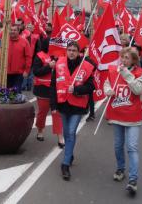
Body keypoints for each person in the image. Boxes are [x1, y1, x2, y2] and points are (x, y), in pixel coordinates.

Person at [104, 47, 142, 196]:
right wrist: (108, 90)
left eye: (127, 58)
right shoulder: (113, 71)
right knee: (117, 146)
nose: (123, 60)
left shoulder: (140, 73)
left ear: (134, 60)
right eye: (122, 57)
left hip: (133, 117)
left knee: (132, 147)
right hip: (117, 114)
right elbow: (107, 84)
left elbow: (138, 90)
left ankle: (133, 180)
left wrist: (126, 74)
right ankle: (120, 168)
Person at [50, 41, 95, 181]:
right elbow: (53, 85)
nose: (71, 52)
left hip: (78, 105)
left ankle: (65, 165)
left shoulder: (85, 66)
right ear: (66, 51)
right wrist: (53, 106)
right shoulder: (59, 64)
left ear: (78, 52)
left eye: (74, 50)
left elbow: (91, 86)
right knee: (66, 132)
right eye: (69, 50)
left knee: (70, 132)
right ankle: (70, 154)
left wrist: (76, 89)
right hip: (63, 103)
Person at [33, 38, 64, 147]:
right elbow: (36, 72)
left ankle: (60, 137)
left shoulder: (61, 56)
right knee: (43, 112)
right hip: (43, 89)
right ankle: (40, 131)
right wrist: (48, 66)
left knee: (57, 113)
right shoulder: (40, 55)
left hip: (57, 89)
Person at [7, 24, 32, 93]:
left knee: (16, 93)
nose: (12, 31)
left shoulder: (24, 42)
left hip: (18, 73)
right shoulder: (5, 41)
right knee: (7, 93)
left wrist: (26, 71)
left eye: (15, 30)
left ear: (18, 31)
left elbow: (28, 57)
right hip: (6, 73)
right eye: (11, 30)